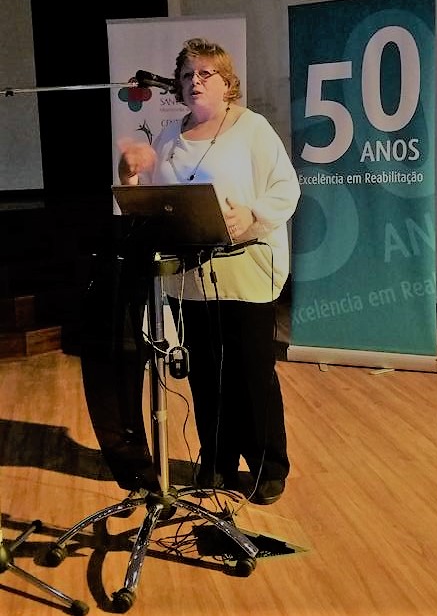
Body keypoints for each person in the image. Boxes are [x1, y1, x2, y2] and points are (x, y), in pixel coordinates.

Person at [117, 37, 301, 505]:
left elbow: (286, 188)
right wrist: (130, 174)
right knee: (205, 375)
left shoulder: (252, 128)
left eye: (205, 73)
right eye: (186, 75)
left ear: (227, 82)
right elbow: (153, 201)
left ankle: (267, 466)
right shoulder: (168, 136)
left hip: (246, 270)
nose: (194, 82)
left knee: (251, 373)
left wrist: (253, 215)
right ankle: (216, 461)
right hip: (189, 279)